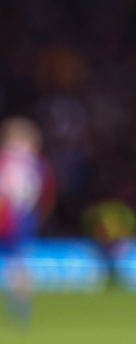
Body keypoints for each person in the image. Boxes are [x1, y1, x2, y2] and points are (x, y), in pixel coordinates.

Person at [0, 117, 53, 327]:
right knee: (20, 263)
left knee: (18, 264)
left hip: (9, 215)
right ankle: (22, 309)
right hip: (22, 218)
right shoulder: (36, 162)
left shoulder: (4, 158)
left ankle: (20, 307)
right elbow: (45, 195)